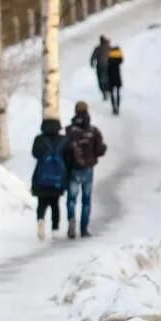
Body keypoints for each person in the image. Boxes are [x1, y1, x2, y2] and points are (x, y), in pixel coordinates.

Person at [64, 101, 107, 239]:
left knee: (71, 199)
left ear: (75, 111)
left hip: (73, 170)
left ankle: (71, 220)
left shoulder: (70, 130)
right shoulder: (93, 131)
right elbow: (100, 150)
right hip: (88, 169)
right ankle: (84, 229)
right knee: (86, 200)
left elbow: (64, 149)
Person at [31, 117, 69, 241]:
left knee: (41, 203)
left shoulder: (39, 139)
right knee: (55, 203)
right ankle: (55, 228)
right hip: (57, 178)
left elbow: (35, 154)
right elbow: (68, 157)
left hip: (41, 176)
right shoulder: (63, 140)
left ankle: (41, 220)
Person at [90, 36, 112, 100]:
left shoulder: (98, 48)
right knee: (107, 78)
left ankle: (104, 92)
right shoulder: (109, 48)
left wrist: (92, 63)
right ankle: (108, 90)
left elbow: (93, 56)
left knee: (100, 79)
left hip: (99, 66)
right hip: (108, 65)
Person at [106, 44, 124, 115]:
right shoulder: (118, 60)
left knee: (112, 94)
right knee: (118, 93)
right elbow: (121, 59)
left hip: (110, 78)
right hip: (117, 77)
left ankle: (114, 107)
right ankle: (118, 107)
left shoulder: (109, 58)